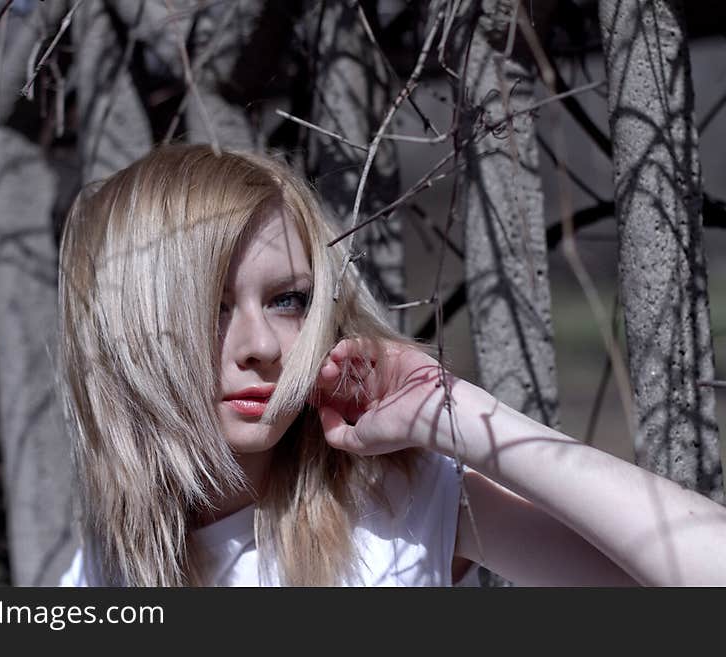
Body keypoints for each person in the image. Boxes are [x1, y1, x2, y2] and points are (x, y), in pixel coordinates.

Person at [57, 144, 726, 587]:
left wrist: (453, 409)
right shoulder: (101, 570)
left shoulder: (399, 502)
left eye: (288, 299)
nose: (259, 343)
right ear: (128, 332)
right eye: (212, 306)